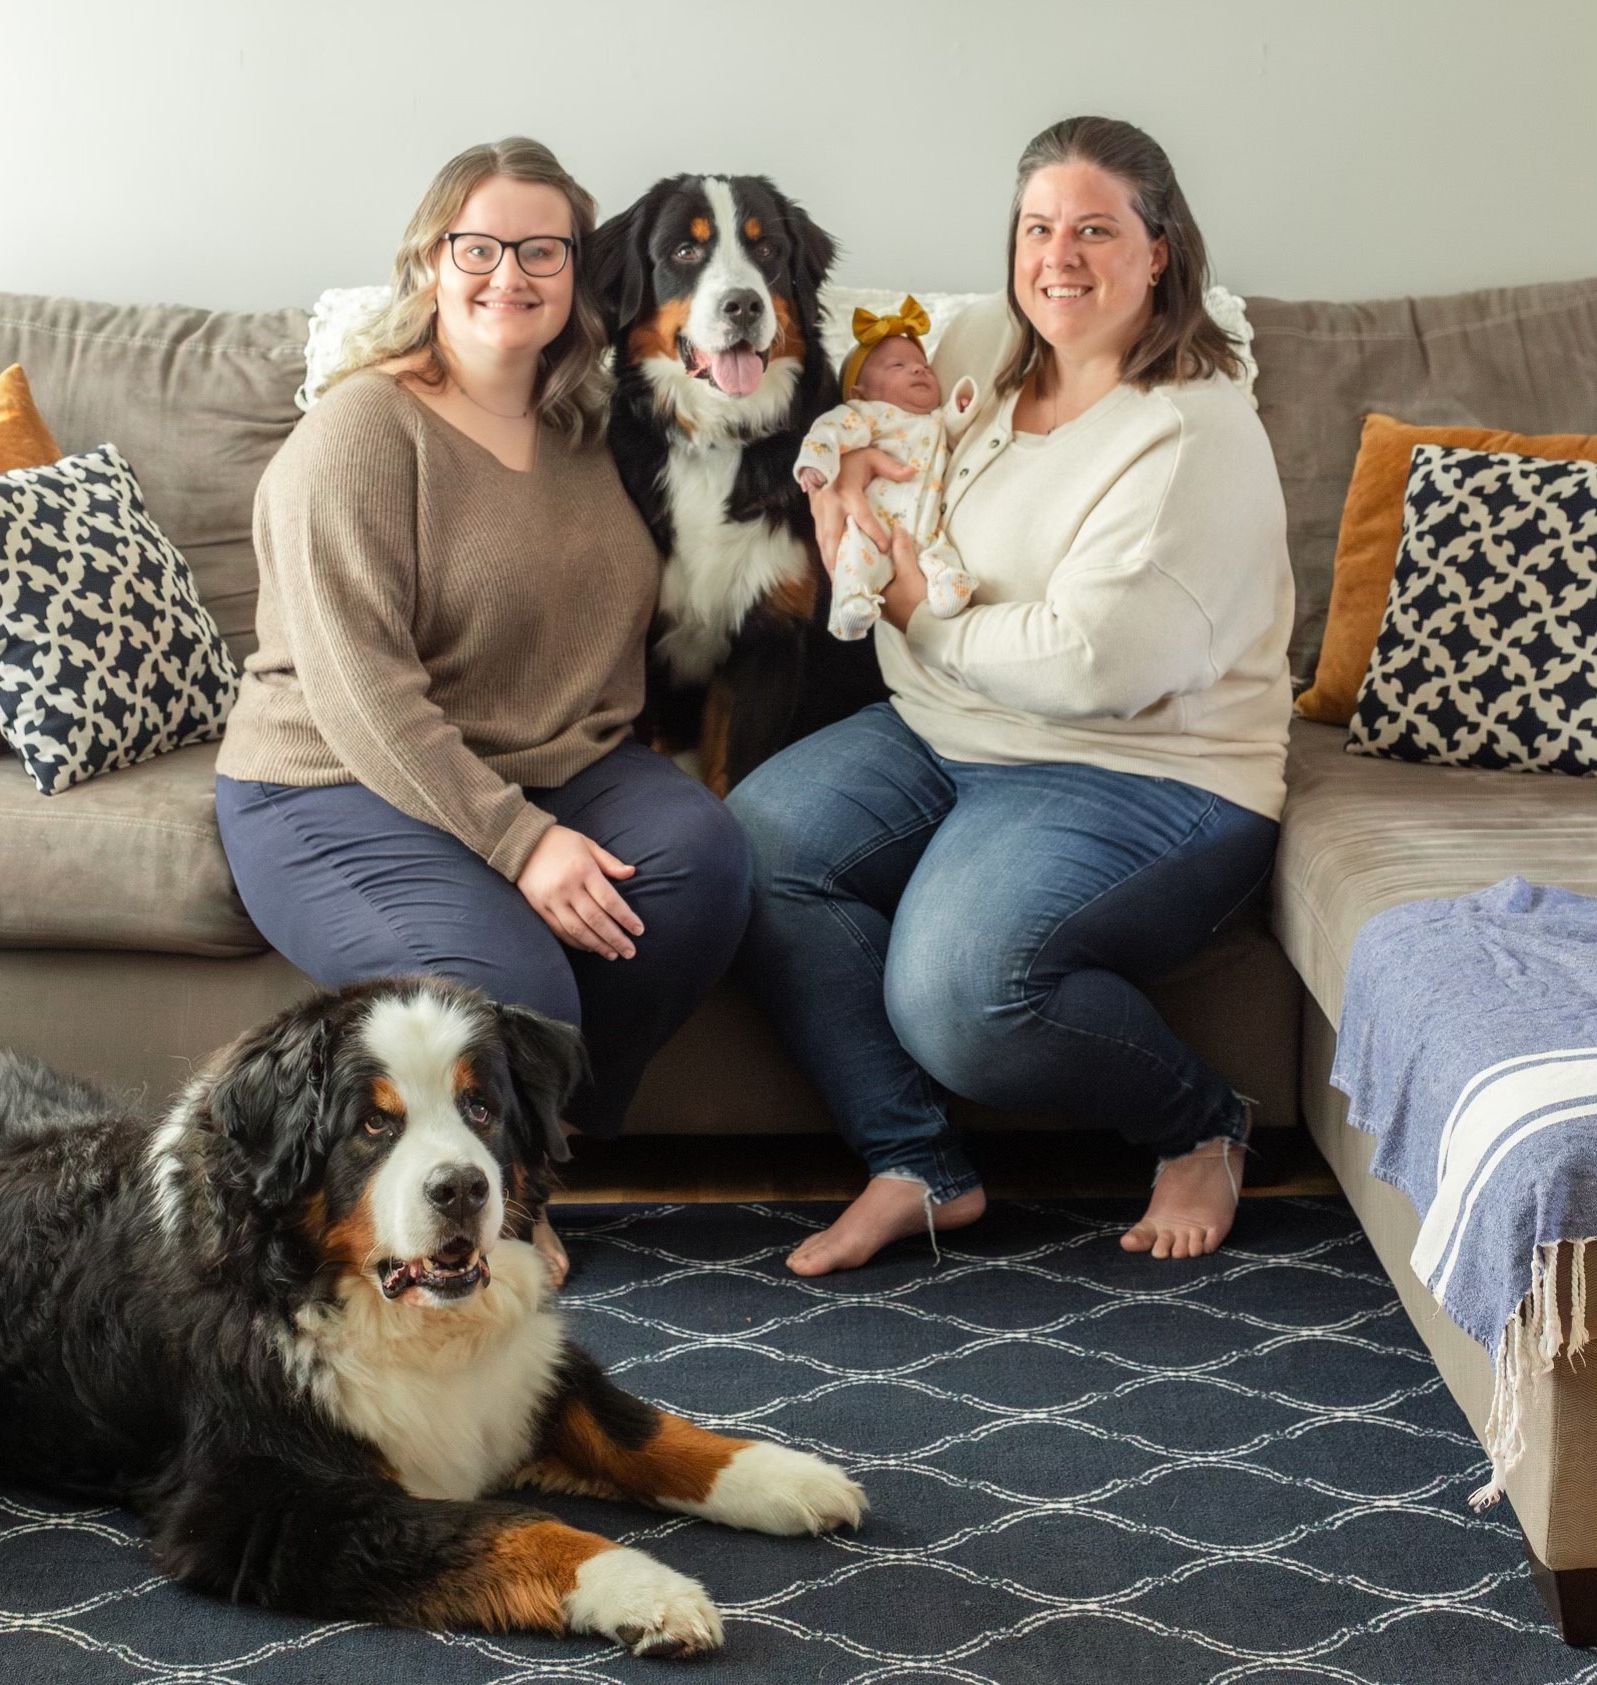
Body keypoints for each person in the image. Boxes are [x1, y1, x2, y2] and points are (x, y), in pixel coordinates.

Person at [726, 115, 1294, 1277]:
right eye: (1039, 228)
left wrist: (909, 611)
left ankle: (1199, 1121)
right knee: (754, 842)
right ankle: (918, 1161)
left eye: (1096, 229)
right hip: (950, 728)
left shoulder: (1191, 433)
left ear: (1162, 252)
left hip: (1147, 772)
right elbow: (869, 423)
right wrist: (840, 494)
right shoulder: (985, 343)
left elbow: (1097, 663)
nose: (1060, 258)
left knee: (960, 995)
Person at [214, 138, 752, 1283]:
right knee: (511, 988)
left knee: (704, 859)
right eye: (479, 246)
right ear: (430, 260)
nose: (509, 273)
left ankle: (537, 1152)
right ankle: (500, 1209)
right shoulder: (362, 433)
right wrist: (523, 842)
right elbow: (362, 690)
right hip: (334, 779)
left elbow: (741, 475)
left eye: (542, 250)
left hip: (543, 757)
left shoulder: (591, 427)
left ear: (578, 273)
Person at [796, 296, 980, 640]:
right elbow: (829, 432)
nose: (918, 369)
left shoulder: (935, 421)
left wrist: (963, 404)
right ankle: (851, 603)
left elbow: (961, 431)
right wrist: (815, 464)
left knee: (940, 554)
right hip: (875, 521)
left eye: (923, 366)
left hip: (924, 524)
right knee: (856, 555)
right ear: (859, 393)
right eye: (897, 366)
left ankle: (949, 587)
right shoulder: (867, 416)